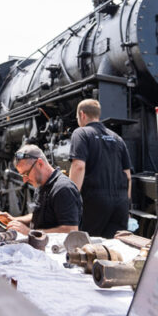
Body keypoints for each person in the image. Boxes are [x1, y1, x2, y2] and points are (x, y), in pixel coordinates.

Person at [69, 99, 132, 238]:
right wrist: (127, 204)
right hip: (120, 202)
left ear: (82, 114)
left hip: (94, 201)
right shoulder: (117, 138)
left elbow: (78, 166)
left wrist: (71, 198)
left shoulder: (81, 133)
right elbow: (127, 175)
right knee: (113, 248)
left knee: (87, 248)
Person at [0, 145, 82, 236]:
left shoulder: (63, 189)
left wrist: (29, 232)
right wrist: (14, 220)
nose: (24, 180)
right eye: (22, 175)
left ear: (40, 163)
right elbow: (39, 216)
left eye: (26, 173)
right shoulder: (41, 186)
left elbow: (70, 231)